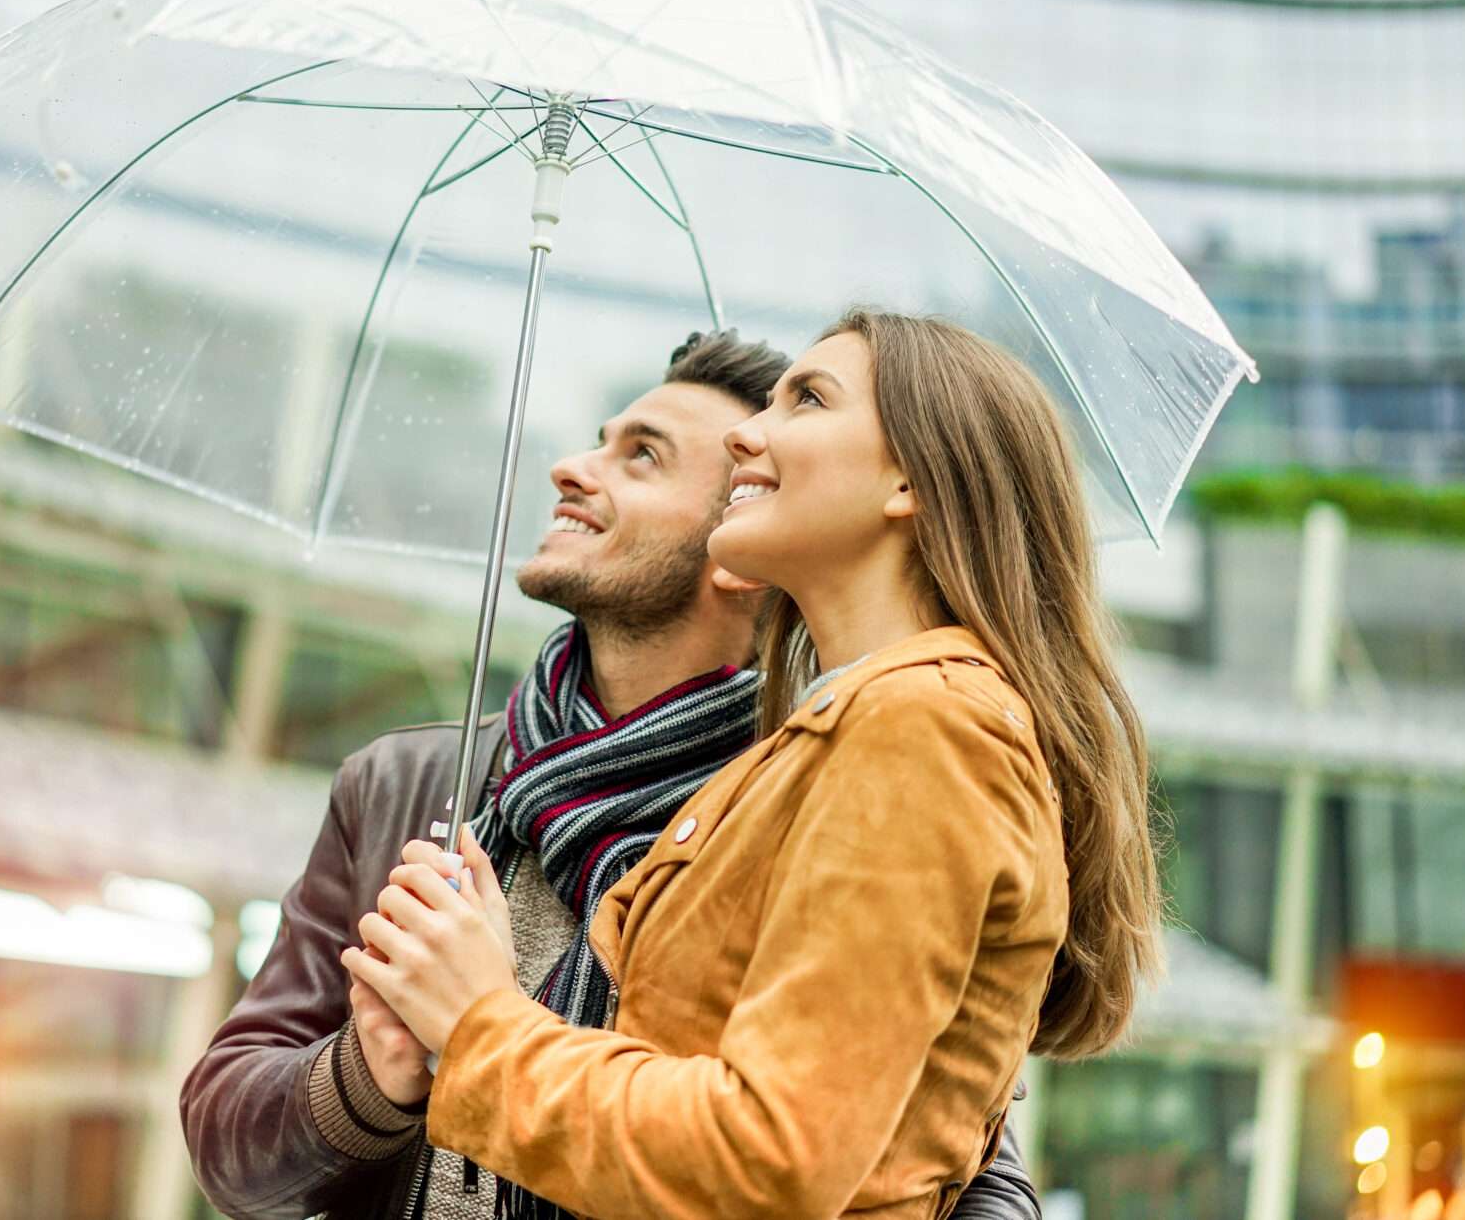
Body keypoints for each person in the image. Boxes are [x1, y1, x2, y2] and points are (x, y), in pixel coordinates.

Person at [180, 328, 1042, 1219]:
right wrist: (373, 1070)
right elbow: (225, 1139)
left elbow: (948, 1156)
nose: (571, 469)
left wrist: (478, 1026)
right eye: (602, 440)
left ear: (738, 552)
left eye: (642, 459)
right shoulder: (412, 780)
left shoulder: (823, 786)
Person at [349, 311, 1164, 1218]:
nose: (745, 432)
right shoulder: (827, 734)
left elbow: (772, 1157)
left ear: (911, 481)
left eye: (808, 399)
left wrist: (478, 1023)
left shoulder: (926, 728)